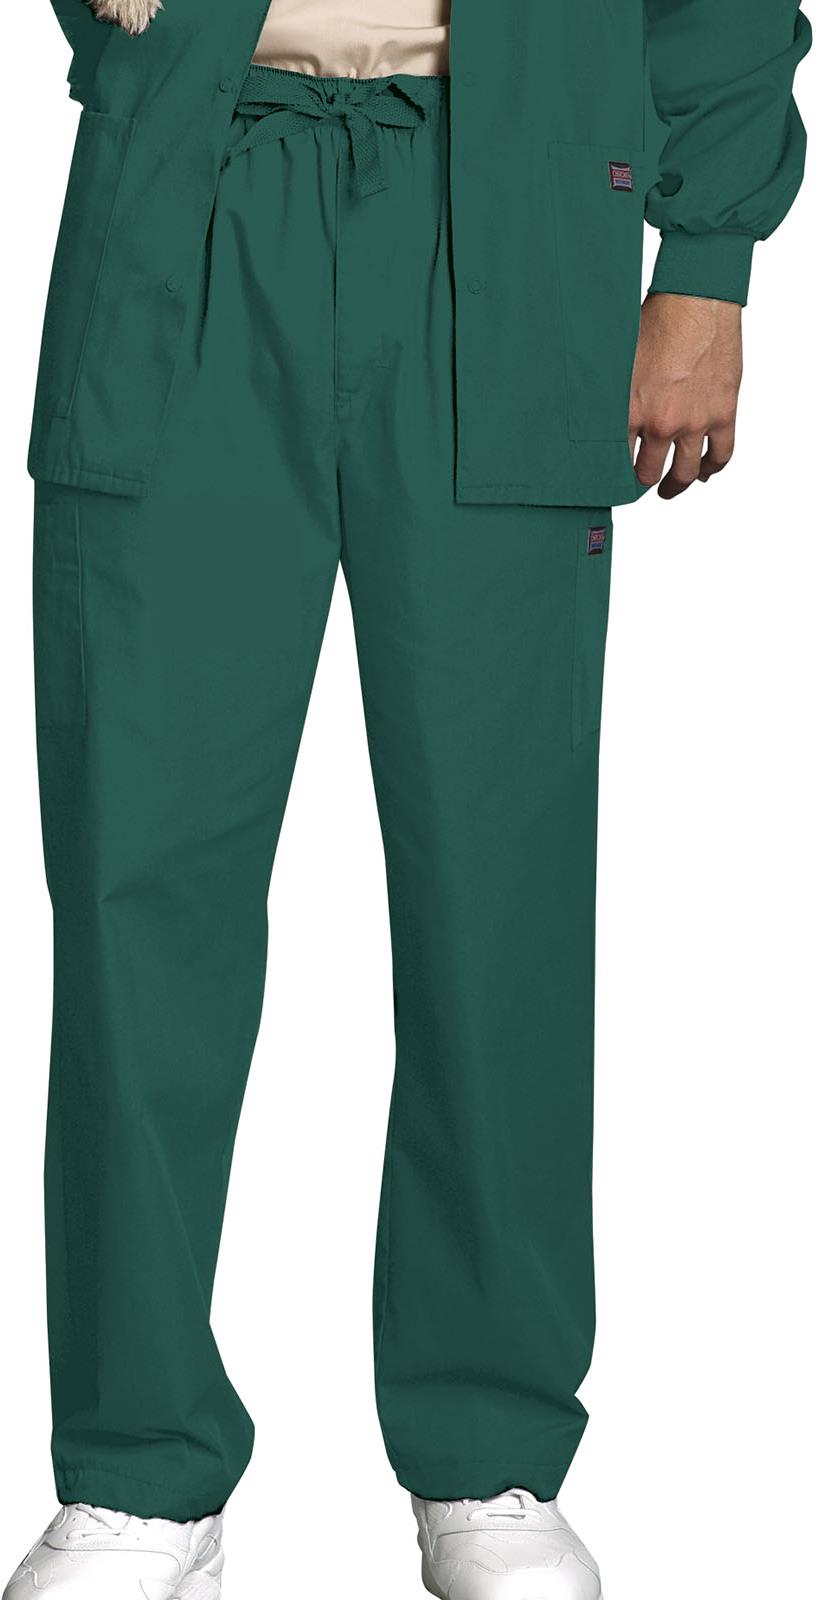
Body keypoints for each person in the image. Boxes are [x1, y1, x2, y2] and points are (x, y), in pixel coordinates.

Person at [3, 1, 810, 1597]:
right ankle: (137, 1466)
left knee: (497, 886)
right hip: (187, 192)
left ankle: (489, 1452)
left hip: (514, 212)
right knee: (135, 885)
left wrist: (707, 259)